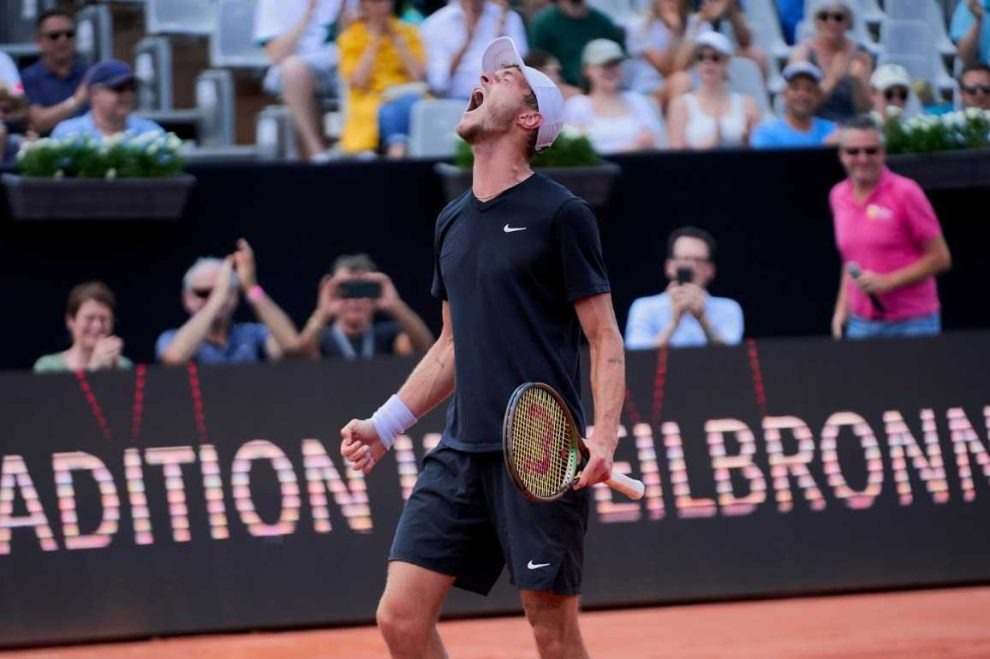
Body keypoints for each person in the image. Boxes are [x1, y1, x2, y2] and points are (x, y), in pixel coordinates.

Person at [339, 36, 625, 657]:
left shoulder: (562, 214)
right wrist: (384, 425)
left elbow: (603, 336)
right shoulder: (452, 221)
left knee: (551, 632)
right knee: (400, 619)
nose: (485, 79)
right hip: (460, 450)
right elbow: (451, 345)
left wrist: (603, 437)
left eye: (505, 78)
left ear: (529, 119)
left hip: (541, 453)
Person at [829, 116, 952, 340]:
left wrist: (888, 281)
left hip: (912, 321)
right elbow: (850, 260)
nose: (863, 159)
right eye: (853, 152)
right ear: (841, 155)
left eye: (871, 150)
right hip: (861, 321)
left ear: (883, 153)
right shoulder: (838, 195)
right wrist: (841, 309)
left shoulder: (906, 192)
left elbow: (941, 258)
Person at [157, 240, 304, 365]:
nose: (216, 297)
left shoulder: (253, 334)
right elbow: (173, 360)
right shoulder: (170, 338)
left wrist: (251, 288)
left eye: (225, 291)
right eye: (203, 293)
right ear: (186, 299)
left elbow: (293, 351)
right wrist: (217, 297)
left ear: (235, 296)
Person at [254, 0, 357, 161]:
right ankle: (317, 154)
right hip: (296, 66)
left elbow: (362, 39)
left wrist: (344, 15)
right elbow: (276, 54)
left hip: (344, 63)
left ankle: (358, 149)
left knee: (359, 68)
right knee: (293, 69)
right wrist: (309, 14)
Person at [625, 226, 743, 348]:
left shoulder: (729, 308)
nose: (691, 266)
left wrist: (702, 319)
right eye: (684, 259)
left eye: (698, 260)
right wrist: (673, 322)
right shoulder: (644, 307)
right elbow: (636, 355)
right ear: (669, 266)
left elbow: (732, 355)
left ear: (710, 270)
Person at [299, 253, 434, 359]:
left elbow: (424, 348)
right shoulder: (321, 340)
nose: (354, 301)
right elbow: (299, 358)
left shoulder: (388, 337)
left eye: (362, 290)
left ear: (375, 293)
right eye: (345, 291)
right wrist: (323, 311)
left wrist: (395, 305)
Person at [337, 0, 426, 157]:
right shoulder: (350, 37)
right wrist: (374, 43)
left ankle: (396, 151)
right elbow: (358, 82)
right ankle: (396, 152)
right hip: (370, 100)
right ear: (364, 4)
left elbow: (418, 76)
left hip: (407, 96)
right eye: (376, 2)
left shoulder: (408, 32)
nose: (383, 6)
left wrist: (398, 42)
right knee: (391, 112)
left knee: (406, 106)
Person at [563, 39, 665, 153]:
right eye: (605, 65)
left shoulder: (638, 101)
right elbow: (571, 150)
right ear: (588, 70)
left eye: (616, 64)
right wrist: (632, 147)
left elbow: (657, 142)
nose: (611, 70)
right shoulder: (577, 105)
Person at [668, 31, 761, 149]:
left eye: (715, 58)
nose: (707, 62)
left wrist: (746, 141)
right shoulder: (681, 105)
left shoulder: (747, 104)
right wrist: (709, 145)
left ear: (726, 62)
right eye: (701, 57)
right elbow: (676, 154)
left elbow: (758, 149)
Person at [420, 0, 528, 99]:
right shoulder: (436, 24)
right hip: (454, 102)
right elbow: (438, 84)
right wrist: (467, 41)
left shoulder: (508, 19)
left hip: (499, 101)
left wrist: (500, 36)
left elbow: (521, 71)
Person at [788, 0, 872, 122]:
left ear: (848, 22)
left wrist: (857, 83)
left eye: (838, 17)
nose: (831, 22)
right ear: (817, 21)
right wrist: (833, 78)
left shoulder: (861, 54)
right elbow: (799, 106)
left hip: (850, 124)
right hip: (813, 123)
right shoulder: (802, 53)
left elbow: (865, 109)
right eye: (824, 17)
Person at [625, 0, 712, 107]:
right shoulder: (639, 26)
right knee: (681, 81)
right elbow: (668, 71)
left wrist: (692, 29)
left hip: (690, 92)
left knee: (683, 81)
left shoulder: (699, 24)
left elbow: (683, 65)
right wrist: (675, 32)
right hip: (649, 93)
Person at [34, 281, 133, 373]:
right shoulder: (48, 367)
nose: (97, 326)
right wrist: (94, 369)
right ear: (70, 321)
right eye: (90, 318)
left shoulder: (124, 366)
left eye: (103, 319)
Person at [51, 60, 163, 140]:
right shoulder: (67, 134)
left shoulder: (151, 133)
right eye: (119, 88)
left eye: (132, 88)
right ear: (94, 93)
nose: (127, 94)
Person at [20, 9, 88, 136]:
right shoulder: (27, 78)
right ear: (39, 42)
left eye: (69, 34)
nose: (63, 40)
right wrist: (75, 101)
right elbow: (37, 122)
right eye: (54, 36)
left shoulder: (89, 74)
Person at [529, 0, 625, 88]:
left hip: (599, 88)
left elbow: (619, 60)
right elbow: (537, 66)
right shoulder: (543, 24)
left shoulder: (603, 23)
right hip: (560, 90)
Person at [751, 61, 836, 148]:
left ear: (817, 96)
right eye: (795, 88)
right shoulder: (767, 133)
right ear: (784, 94)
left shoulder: (832, 132)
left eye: (809, 89)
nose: (802, 94)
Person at [951, 0, 989, 67]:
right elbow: (966, 58)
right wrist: (978, 19)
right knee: (974, 74)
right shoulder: (974, 3)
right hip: (981, 67)